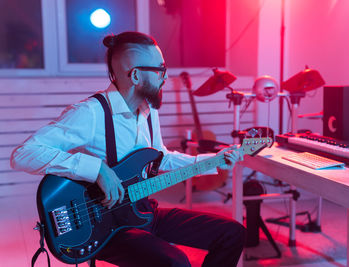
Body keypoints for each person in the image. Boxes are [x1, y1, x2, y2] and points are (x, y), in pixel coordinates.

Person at [10, 31, 246, 267]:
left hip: (142, 211)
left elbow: (158, 158)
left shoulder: (149, 110)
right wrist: (97, 170)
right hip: (105, 226)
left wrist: (213, 161)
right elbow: (24, 154)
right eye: (160, 70)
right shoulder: (91, 112)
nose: (164, 77)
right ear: (135, 75)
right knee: (175, 262)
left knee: (232, 233)